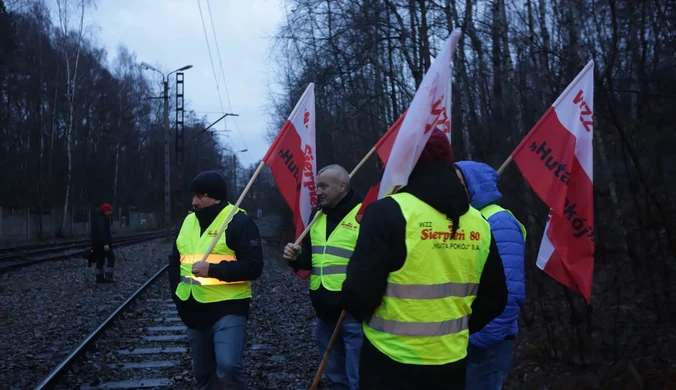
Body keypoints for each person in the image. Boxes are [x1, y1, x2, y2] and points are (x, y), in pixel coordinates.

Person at [342, 129, 508, 389]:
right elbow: (496, 298)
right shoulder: (479, 222)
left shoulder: (387, 212)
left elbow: (358, 294)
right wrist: (452, 330)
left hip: (389, 361)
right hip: (451, 362)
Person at [168, 170, 264, 390]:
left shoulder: (239, 222)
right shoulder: (187, 222)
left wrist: (212, 270)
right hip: (193, 310)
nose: (194, 202)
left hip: (228, 309)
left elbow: (254, 266)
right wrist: (176, 294)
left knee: (228, 366)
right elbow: (174, 262)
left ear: (215, 196)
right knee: (203, 375)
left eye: (199, 196)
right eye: (194, 196)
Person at [284, 164, 364, 390]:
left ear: (342, 186)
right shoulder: (316, 216)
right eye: (317, 186)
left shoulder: (363, 213)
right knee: (334, 375)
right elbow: (310, 260)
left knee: (357, 375)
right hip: (324, 309)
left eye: (323, 187)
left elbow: (374, 261)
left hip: (353, 311)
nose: (318, 192)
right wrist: (296, 257)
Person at [454, 161, 527, 390]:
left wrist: (477, 340)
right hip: (466, 338)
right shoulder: (467, 220)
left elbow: (510, 293)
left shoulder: (498, 221)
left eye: (458, 183)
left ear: (473, 185)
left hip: (487, 343)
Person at [91, 203, 115, 283]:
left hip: (98, 244)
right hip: (103, 244)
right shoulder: (102, 219)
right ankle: (108, 276)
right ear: (106, 211)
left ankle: (99, 278)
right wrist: (105, 243)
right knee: (111, 258)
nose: (111, 213)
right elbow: (101, 232)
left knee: (100, 259)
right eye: (109, 211)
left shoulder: (98, 217)